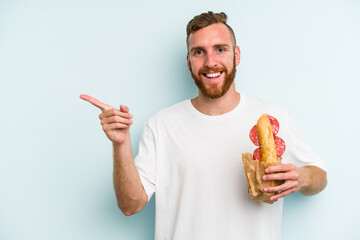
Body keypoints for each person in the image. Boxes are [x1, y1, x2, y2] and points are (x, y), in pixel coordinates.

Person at [80, 11, 327, 240]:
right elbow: (130, 205)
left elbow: (319, 176)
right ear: (189, 61)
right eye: (199, 52)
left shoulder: (271, 117)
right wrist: (120, 144)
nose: (210, 62)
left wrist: (302, 178)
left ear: (236, 55)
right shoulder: (161, 125)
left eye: (220, 49)